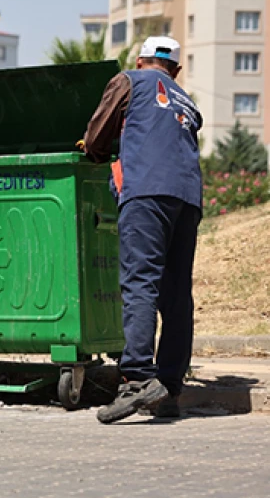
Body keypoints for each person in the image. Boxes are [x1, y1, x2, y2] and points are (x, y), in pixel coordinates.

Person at [81, 36, 203, 424]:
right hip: (187, 199)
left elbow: (98, 136)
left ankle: (136, 378)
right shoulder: (186, 101)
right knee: (176, 293)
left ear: (140, 59)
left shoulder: (129, 80)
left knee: (139, 282)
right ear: (176, 70)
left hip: (147, 192)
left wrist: (94, 149)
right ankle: (168, 387)